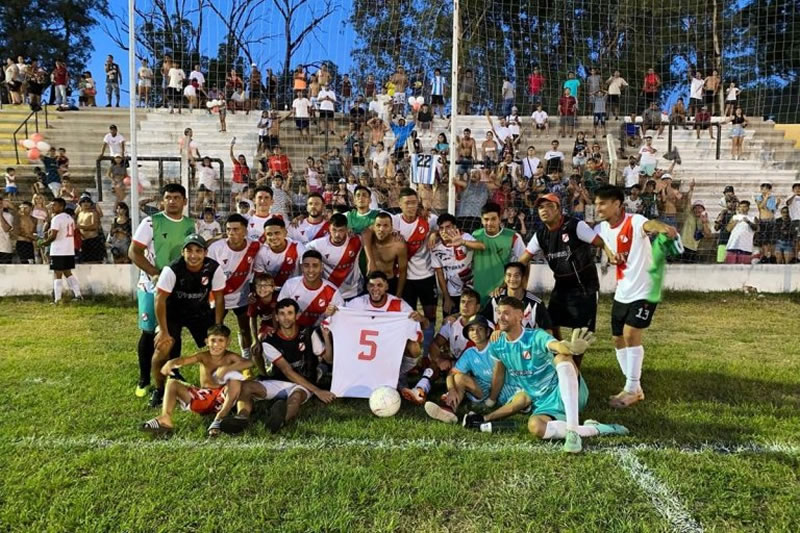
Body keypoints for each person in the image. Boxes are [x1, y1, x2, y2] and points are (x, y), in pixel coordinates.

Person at [468, 297, 628, 452]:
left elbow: (556, 346)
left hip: (567, 391)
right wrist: (489, 406)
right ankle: (593, 428)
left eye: (506, 313)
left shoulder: (535, 336)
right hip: (543, 402)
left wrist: (570, 348)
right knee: (535, 426)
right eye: (499, 312)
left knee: (562, 358)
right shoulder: (497, 344)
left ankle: (573, 433)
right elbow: (499, 374)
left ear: (520, 315)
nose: (500, 317)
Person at [593, 185, 678, 408]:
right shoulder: (603, 227)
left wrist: (664, 228)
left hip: (645, 289)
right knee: (617, 338)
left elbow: (650, 225)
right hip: (623, 290)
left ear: (617, 204)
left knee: (631, 334)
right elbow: (606, 245)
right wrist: (611, 256)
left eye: (602, 203)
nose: (598, 208)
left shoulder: (635, 221)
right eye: (596, 203)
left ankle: (631, 388)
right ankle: (633, 385)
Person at [221, 299, 336, 435]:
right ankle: (241, 417)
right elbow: (287, 371)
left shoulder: (308, 333)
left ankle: (279, 421)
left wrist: (326, 337)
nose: (286, 318)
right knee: (246, 386)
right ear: (276, 317)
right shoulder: (269, 341)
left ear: (297, 315)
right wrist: (318, 391)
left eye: (289, 313)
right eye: (282, 314)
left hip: (304, 383)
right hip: (280, 381)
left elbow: (328, 359)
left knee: (296, 398)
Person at [128, 184, 196, 401]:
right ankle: (144, 379)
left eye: (176, 198)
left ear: (184, 201)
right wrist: (154, 273)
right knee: (149, 333)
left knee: (173, 332)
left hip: (177, 288)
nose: (172, 201)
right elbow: (134, 252)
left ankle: (173, 373)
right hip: (150, 287)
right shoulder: (151, 222)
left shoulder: (190, 225)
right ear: (162, 201)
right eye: (168, 197)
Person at [518, 193, 605, 343]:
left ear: (559, 209)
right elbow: (522, 261)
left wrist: (613, 256)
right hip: (562, 284)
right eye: (541, 207)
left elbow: (600, 242)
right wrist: (506, 281)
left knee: (581, 331)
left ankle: (575, 358)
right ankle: (561, 352)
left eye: (549, 206)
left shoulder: (576, 226)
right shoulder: (540, 235)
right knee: (550, 322)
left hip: (584, 285)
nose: (544, 210)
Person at [140, 324, 250, 436]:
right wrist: (171, 362)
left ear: (228, 342)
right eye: (213, 340)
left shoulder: (231, 357)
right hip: (203, 397)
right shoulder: (203, 356)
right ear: (207, 342)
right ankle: (165, 418)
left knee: (235, 379)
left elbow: (249, 363)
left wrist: (228, 368)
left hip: (223, 398)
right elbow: (185, 360)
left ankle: (220, 418)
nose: (216, 344)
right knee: (172, 382)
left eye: (221, 340)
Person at [341, 270, 429, 404]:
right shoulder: (358, 303)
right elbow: (341, 315)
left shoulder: (399, 305)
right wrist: (334, 311)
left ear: (386, 286)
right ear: (367, 287)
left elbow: (423, 329)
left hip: (390, 356)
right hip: (363, 358)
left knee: (414, 347)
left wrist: (421, 319)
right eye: (371, 285)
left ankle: (399, 375)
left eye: (379, 285)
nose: (375, 289)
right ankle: (399, 384)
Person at [366, 188, 437, 350]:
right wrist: (370, 260)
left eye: (414, 203)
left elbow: (445, 226)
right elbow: (368, 231)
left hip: (426, 274)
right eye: (407, 203)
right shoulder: (393, 220)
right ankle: (406, 351)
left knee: (430, 315)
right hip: (405, 278)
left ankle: (427, 353)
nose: (411, 206)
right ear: (399, 204)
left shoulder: (429, 219)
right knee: (407, 316)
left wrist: (435, 232)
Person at [425, 315, 521, 425]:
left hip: (504, 386)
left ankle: (450, 405)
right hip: (483, 388)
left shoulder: (496, 345)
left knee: (522, 400)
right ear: (468, 334)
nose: (475, 332)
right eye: (471, 329)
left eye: (480, 329)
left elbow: (513, 339)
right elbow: (451, 373)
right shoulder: (470, 352)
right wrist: (451, 390)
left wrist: (501, 332)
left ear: (487, 332)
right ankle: (450, 409)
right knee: (458, 377)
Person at [207, 214, 262, 358]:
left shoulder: (254, 247)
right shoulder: (216, 248)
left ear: (245, 231)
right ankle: (215, 357)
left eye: (236, 229)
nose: (231, 233)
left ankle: (246, 356)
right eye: (228, 229)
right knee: (216, 329)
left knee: (244, 328)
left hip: (242, 295)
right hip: (219, 296)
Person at [467, 202, 526, 305]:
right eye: (486, 219)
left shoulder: (513, 237)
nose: (489, 223)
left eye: (493, 219)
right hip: (479, 290)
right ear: (481, 219)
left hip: (502, 291)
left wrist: (521, 286)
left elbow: (525, 261)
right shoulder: (475, 236)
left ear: (500, 218)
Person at [278, 250, 345, 329]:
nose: (310, 270)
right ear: (302, 267)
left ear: (321, 267)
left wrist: (334, 315)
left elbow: (342, 318)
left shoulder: (333, 292)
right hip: (294, 331)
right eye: (306, 266)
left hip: (320, 332)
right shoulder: (290, 285)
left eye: (315, 266)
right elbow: (278, 311)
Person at [481, 261, 552, 333]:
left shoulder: (536, 303)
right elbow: (482, 321)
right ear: (504, 278)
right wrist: (492, 332)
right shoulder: (495, 299)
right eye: (509, 275)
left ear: (523, 278)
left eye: (516, 276)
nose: (512, 279)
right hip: (499, 339)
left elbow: (548, 330)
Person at [306, 213, 363, 300]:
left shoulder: (357, 240)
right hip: (331, 294)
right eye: (334, 230)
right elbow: (300, 253)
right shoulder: (318, 245)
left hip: (354, 292)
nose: (337, 234)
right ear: (329, 228)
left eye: (341, 230)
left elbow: (369, 231)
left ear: (347, 229)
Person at [429, 287, 487, 372]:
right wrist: (439, 360)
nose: (465, 305)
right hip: (456, 362)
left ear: (477, 307)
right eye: (463, 301)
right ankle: (424, 381)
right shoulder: (451, 323)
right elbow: (435, 344)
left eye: (470, 302)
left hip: (476, 365)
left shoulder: (485, 326)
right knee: (433, 365)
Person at [37, 198, 82, 303]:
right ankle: (78, 295)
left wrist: (44, 243)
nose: (52, 207)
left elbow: (53, 236)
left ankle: (57, 299)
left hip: (58, 250)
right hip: (68, 250)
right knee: (68, 272)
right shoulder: (69, 218)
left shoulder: (57, 219)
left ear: (61, 207)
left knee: (57, 274)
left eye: (54, 205)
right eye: (52, 205)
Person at [431, 214, 477, 315]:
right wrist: (446, 297)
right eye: (441, 228)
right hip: (452, 292)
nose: (444, 231)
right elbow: (440, 274)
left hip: (470, 289)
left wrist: (463, 242)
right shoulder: (436, 248)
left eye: (448, 227)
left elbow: (481, 246)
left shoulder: (465, 237)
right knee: (449, 320)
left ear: (455, 227)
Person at [362, 212, 408, 296]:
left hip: (389, 282)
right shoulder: (368, 239)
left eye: (386, 226)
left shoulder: (398, 245)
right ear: (373, 227)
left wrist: (398, 295)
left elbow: (403, 272)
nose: (381, 229)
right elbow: (365, 232)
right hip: (370, 281)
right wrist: (370, 261)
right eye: (378, 225)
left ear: (391, 228)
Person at [254, 217, 305, 289]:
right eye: (269, 234)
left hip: (295, 289)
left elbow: (307, 271)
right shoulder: (261, 252)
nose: (273, 237)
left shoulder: (297, 247)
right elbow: (259, 278)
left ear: (285, 233)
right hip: (271, 291)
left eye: (277, 233)